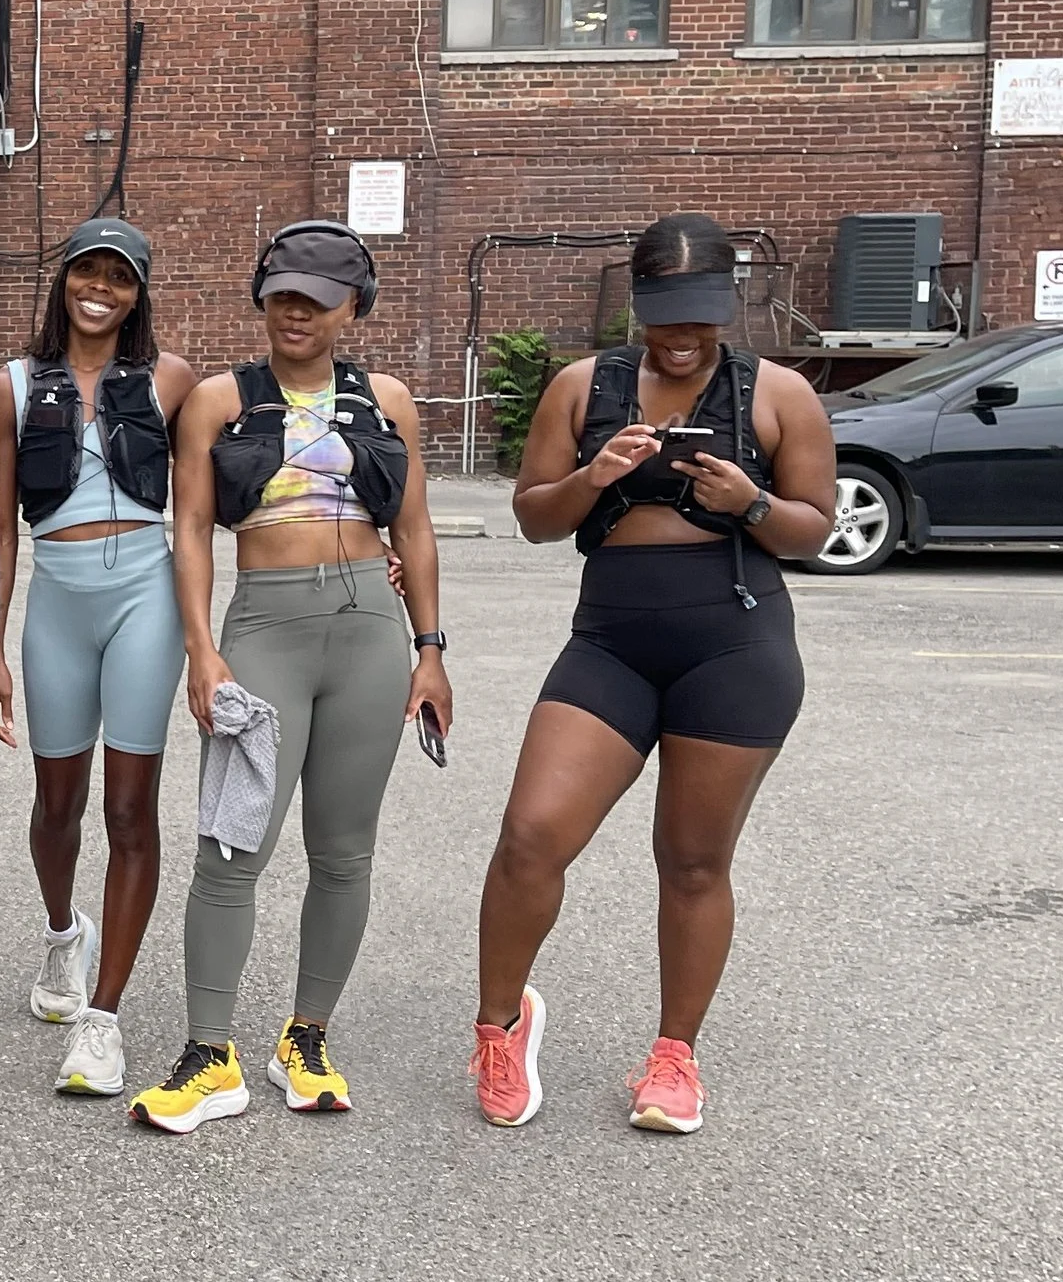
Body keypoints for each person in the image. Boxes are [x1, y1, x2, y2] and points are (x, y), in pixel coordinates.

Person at [472, 212, 835, 1134]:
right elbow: (536, 519)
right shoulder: (582, 385)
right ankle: (500, 1025)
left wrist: (750, 500)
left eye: (701, 320)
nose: (682, 339)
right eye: (666, 318)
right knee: (529, 836)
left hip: (736, 646)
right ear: (637, 304)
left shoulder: (778, 393)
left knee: (693, 859)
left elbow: (814, 527)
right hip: (611, 641)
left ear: (731, 304)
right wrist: (595, 475)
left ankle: (675, 1058)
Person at [129, 220, 453, 1135]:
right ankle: (208, 1052)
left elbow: (417, 529)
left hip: (369, 634)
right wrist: (203, 647)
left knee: (344, 852)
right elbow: (190, 528)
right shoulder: (221, 399)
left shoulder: (386, 399)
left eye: (318, 295)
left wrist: (430, 649)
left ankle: (305, 1037)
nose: (296, 309)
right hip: (265, 623)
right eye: (282, 292)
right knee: (231, 847)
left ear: (354, 305)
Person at [0, 220, 196, 1099]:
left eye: (120, 277)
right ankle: (65, 935)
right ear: (62, 282)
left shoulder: (172, 379)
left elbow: (221, 495)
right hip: (59, 598)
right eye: (86, 273)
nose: (100, 289)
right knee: (57, 802)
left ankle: (103, 1022)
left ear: (138, 292)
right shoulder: (16, 385)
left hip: (148, 591)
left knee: (131, 805)